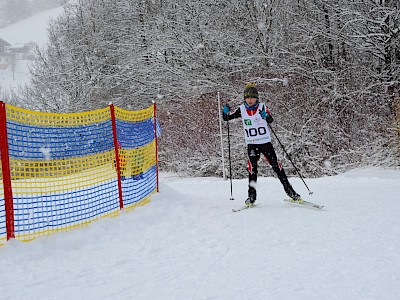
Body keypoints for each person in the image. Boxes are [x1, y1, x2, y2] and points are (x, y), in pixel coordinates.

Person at [222, 82, 302, 206]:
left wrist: (266, 116)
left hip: (265, 143)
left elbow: (271, 120)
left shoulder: (262, 107)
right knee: (252, 169)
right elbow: (227, 118)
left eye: (252, 97)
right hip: (252, 144)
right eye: (247, 97)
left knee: (277, 167)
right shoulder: (241, 109)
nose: (250, 100)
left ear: (256, 98)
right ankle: (251, 197)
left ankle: (291, 192)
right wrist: (225, 112)